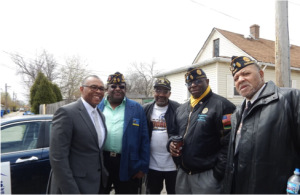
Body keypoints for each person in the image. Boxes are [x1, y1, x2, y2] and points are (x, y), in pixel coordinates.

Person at [222, 56, 300, 195]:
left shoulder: (291, 99)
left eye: (246, 74)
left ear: (261, 75)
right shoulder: (237, 113)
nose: (240, 80)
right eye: (236, 78)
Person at [167, 68, 236, 195]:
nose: (193, 85)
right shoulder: (181, 109)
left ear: (207, 81)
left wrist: (218, 173)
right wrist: (170, 143)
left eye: (198, 81)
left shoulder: (223, 105)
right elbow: (173, 132)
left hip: (207, 176)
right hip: (183, 174)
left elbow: (230, 142)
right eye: (189, 83)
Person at [47, 75, 108, 195]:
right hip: (74, 186)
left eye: (101, 89)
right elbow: (57, 158)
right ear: (81, 89)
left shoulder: (101, 115)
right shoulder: (66, 113)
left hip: (96, 185)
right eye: (93, 87)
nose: (98, 91)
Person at [97, 72, 150, 195]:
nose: (117, 89)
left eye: (121, 86)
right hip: (102, 161)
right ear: (107, 88)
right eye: (113, 86)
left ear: (125, 88)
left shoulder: (137, 108)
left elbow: (144, 139)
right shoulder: (97, 107)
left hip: (128, 162)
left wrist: (143, 166)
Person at [143, 78, 180, 195]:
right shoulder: (145, 109)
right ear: (153, 92)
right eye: (158, 90)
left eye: (165, 91)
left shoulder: (179, 109)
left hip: (173, 165)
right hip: (152, 164)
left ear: (170, 93)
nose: (161, 95)